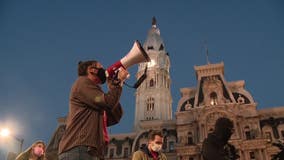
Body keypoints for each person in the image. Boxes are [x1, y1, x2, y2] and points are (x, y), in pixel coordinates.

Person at [58, 60, 129, 160]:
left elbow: (116, 115)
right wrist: (118, 83)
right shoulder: (82, 82)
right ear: (92, 70)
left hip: (88, 151)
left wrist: (113, 86)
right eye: (101, 67)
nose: (104, 70)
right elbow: (108, 102)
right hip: (79, 149)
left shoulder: (94, 93)